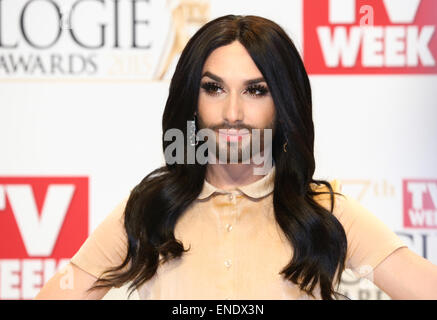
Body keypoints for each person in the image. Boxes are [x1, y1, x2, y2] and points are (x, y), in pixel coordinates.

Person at [35, 15, 437, 300]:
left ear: (283, 103)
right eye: (214, 88)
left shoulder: (325, 213)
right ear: (192, 99)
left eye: (255, 90)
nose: (232, 113)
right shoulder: (149, 209)